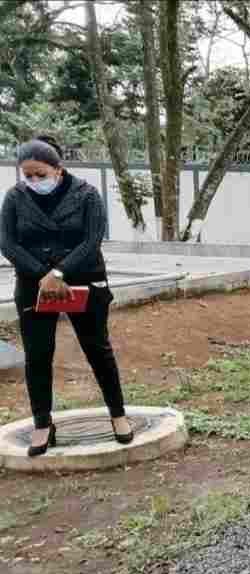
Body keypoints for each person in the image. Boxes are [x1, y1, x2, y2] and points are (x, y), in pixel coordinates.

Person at [0, 136, 134, 456]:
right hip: (34, 285)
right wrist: (41, 273)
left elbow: (92, 239)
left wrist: (58, 273)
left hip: (83, 279)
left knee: (97, 349)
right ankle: (43, 423)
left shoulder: (87, 195)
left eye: (40, 174)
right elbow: (7, 242)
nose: (34, 181)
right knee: (37, 354)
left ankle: (118, 415)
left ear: (58, 170)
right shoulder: (15, 198)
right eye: (27, 175)